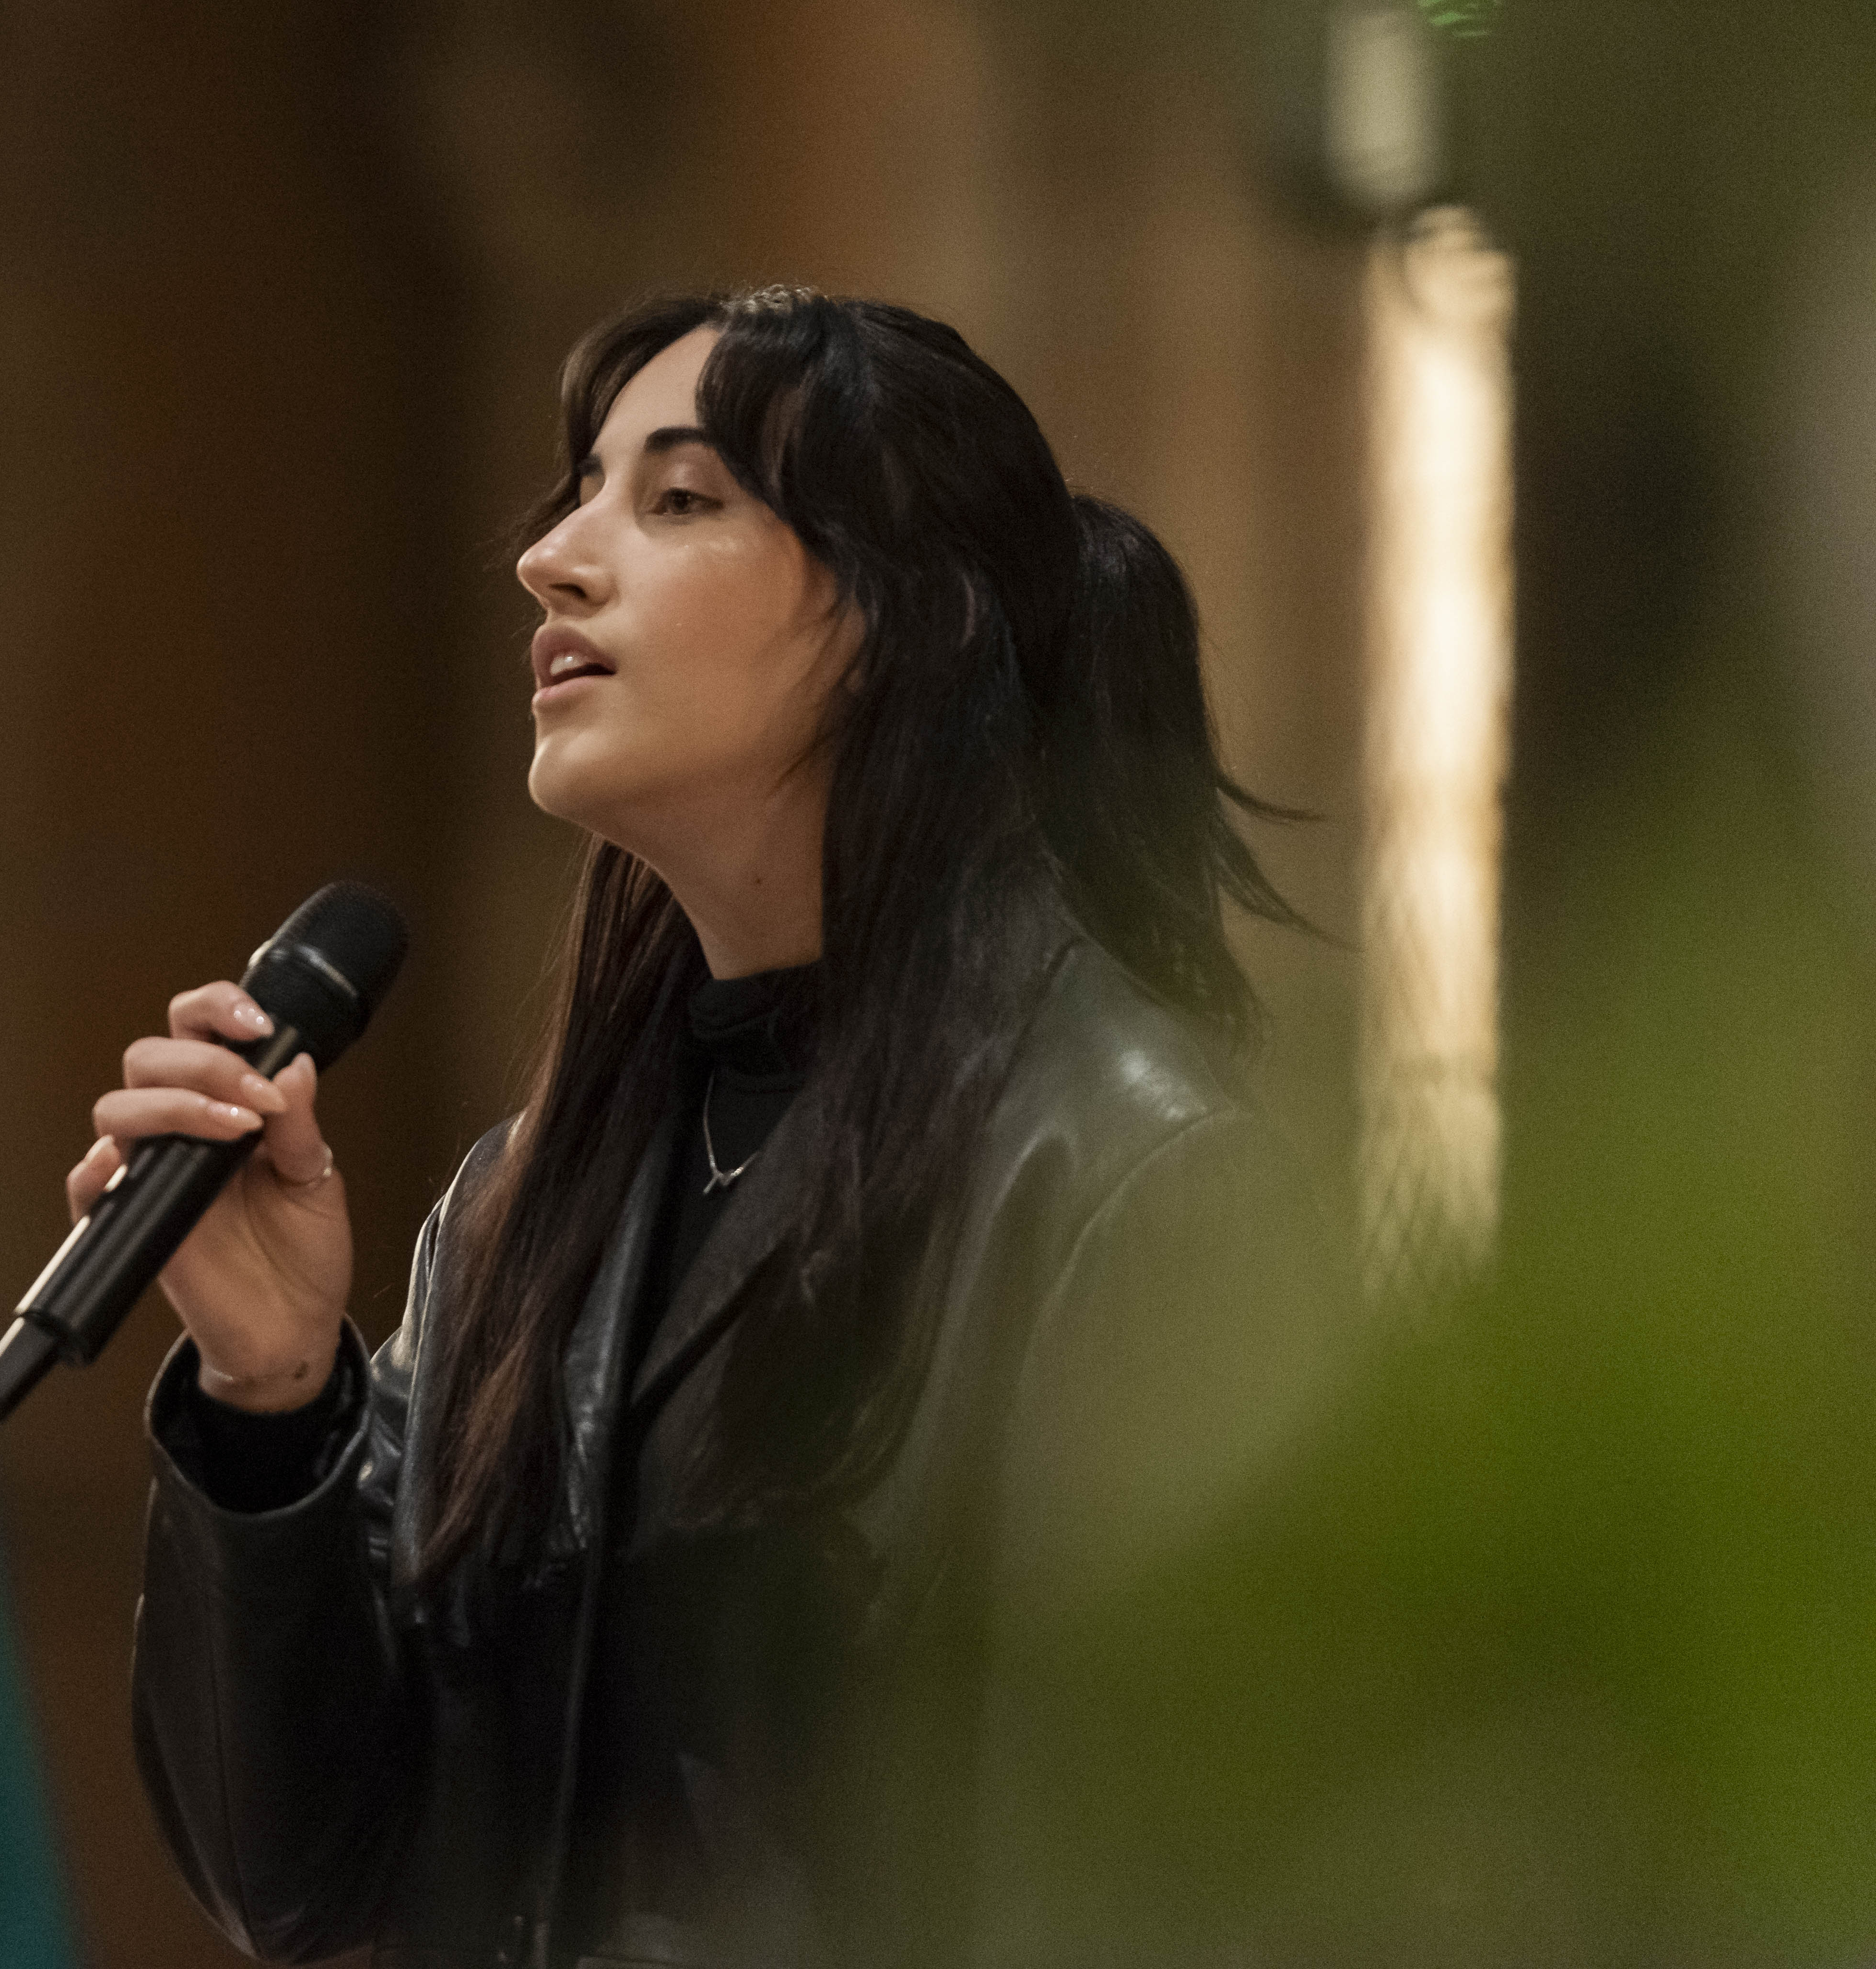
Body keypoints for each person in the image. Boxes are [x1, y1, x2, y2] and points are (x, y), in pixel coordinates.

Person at [96, 290, 1353, 1966]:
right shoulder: (515, 1210)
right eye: (579, 492)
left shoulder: (1129, 1178)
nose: (555, 556)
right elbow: (306, 1873)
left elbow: (1183, 1888)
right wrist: (277, 1404)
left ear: (910, 619)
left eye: (677, 500)